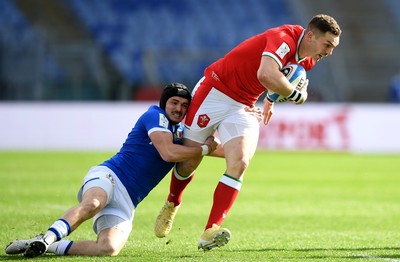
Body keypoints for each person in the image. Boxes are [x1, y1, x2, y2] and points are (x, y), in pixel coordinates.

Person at [154, 14, 342, 251]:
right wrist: (297, 96)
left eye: (333, 47)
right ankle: (173, 201)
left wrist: (271, 100)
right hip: (215, 91)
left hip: (243, 105)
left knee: (240, 161)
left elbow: (281, 77)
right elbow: (266, 74)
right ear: (311, 35)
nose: (329, 52)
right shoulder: (282, 37)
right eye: (327, 45)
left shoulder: (309, 58)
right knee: (189, 160)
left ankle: (210, 231)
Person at [5, 83, 219, 258]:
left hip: (127, 200)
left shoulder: (182, 133)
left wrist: (241, 134)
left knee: (109, 249)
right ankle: (48, 237)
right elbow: (168, 154)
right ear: (164, 103)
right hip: (111, 176)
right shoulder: (154, 115)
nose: (179, 109)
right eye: (174, 102)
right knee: (93, 203)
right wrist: (204, 148)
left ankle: (43, 246)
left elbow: (223, 151)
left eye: (184, 105)